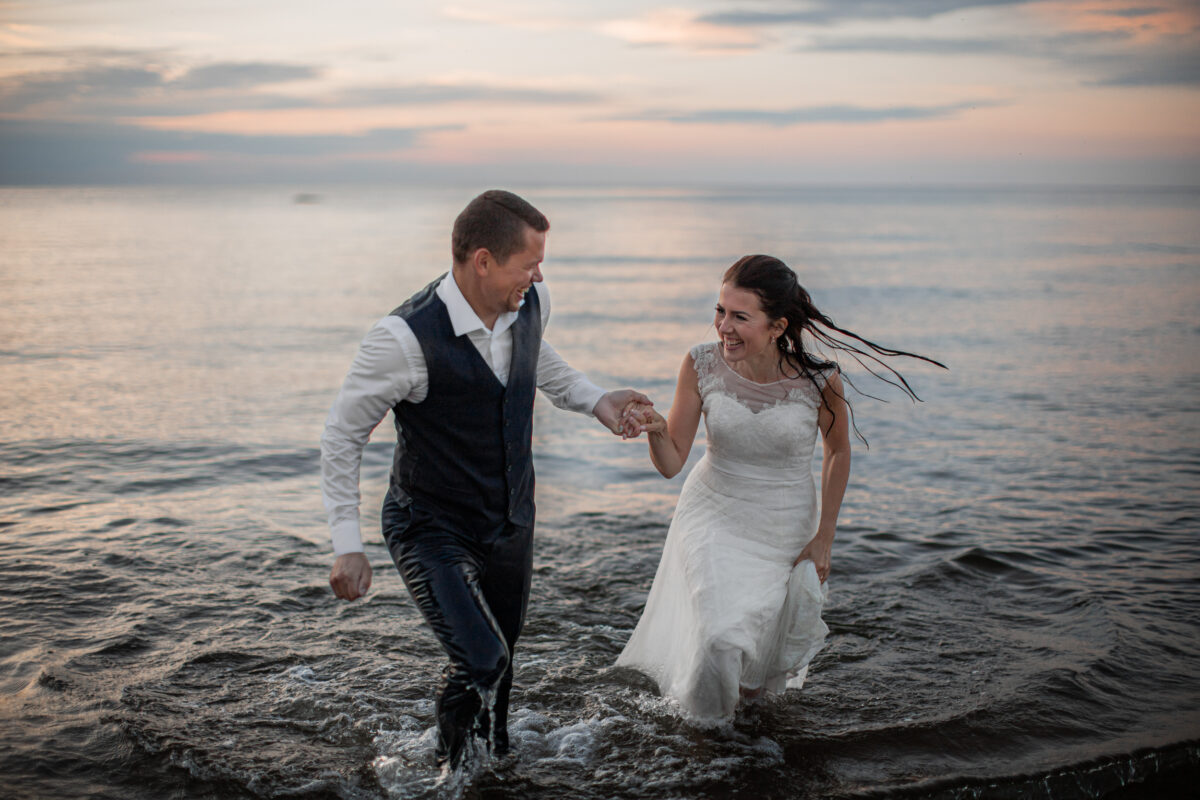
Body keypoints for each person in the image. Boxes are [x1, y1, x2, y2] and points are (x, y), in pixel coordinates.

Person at [320, 190, 648, 768]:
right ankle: (447, 771)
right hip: (431, 525)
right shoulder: (401, 339)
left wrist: (597, 399)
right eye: (529, 262)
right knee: (482, 659)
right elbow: (343, 435)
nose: (539, 274)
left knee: (502, 658)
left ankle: (493, 761)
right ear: (483, 261)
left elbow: (534, 357)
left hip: (511, 520)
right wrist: (348, 546)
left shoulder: (532, 300)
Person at [617, 254, 943, 721]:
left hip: (784, 523)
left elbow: (838, 451)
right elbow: (672, 463)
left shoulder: (820, 380)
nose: (723, 327)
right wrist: (654, 428)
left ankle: (746, 732)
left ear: (777, 326)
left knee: (757, 653)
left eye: (739, 317)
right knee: (718, 637)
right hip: (713, 510)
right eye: (720, 311)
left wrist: (825, 535)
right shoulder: (699, 363)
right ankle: (706, 739)